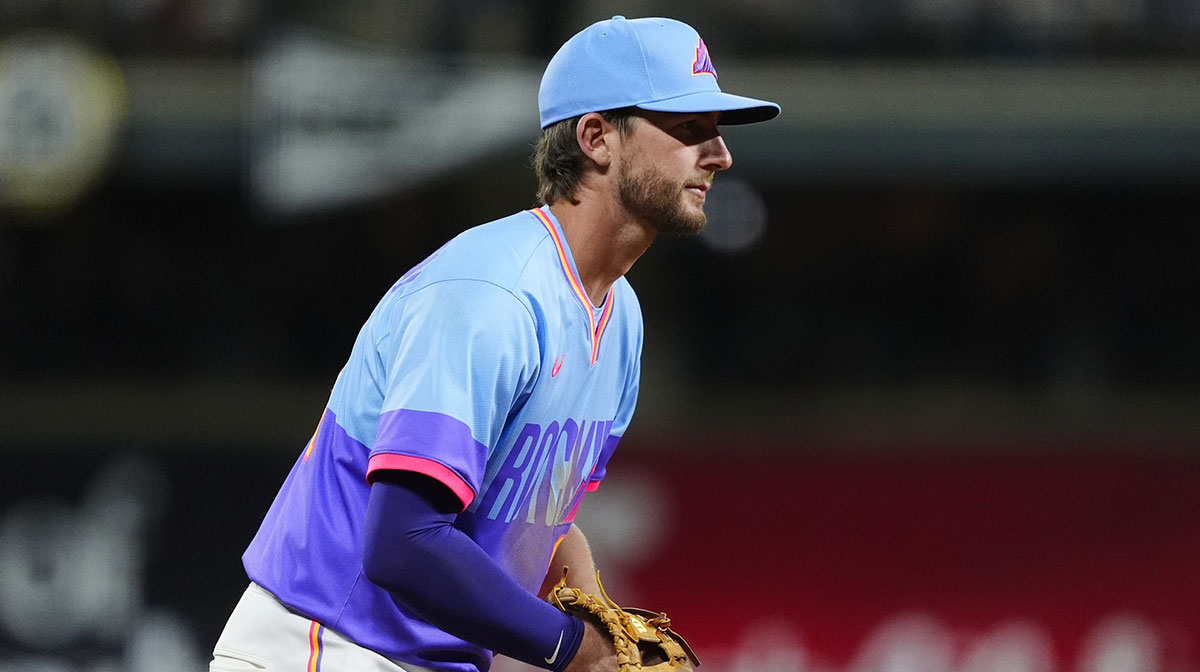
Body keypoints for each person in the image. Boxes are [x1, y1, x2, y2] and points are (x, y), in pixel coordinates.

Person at [209, 15, 779, 672]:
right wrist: (572, 650)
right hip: (325, 646)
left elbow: (544, 517)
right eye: (688, 129)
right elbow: (402, 541)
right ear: (597, 138)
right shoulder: (488, 293)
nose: (720, 154)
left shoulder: (619, 316)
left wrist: (602, 622)